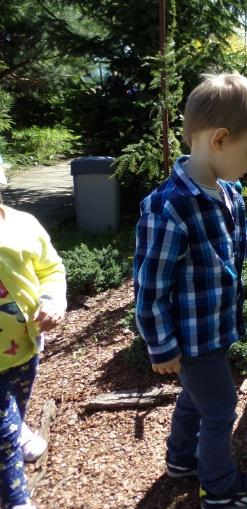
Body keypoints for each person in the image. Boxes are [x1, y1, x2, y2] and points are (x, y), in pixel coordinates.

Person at [134, 73, 247, 509]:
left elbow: (246, 235)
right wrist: (161, 346)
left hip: (216, 327)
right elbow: (149, 289)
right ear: (220, 139)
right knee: (220, 410)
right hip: (190, 338)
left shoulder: (227, 191)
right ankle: (220, 490)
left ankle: (181, 459)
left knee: (196, 396)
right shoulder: (168, 209)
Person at [0, 164, 67, 509]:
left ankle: (18, 423)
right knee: (3, 436)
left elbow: (50, 269)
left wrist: (53, 301)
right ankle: (15, 499)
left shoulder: (23, 225)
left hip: (24, 347)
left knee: (17, 399)